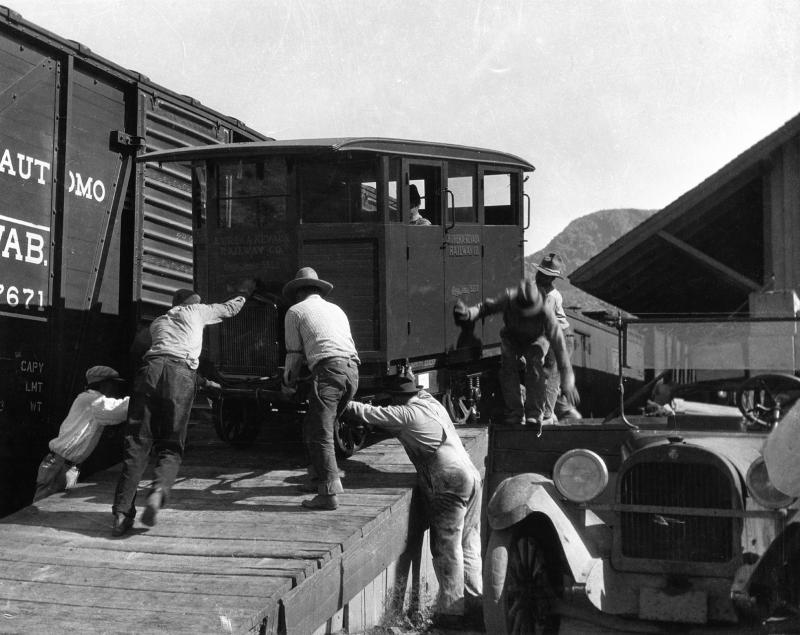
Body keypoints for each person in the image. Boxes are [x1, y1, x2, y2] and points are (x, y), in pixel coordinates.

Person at [111, 280, 256, 536]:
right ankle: (158, 492)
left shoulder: (157, 323)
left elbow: (153, 356)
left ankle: (122, 514)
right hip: (180, 375)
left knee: (137, 444)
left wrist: (202, 381)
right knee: (170, 444)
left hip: (149, 373)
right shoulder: (196, 311)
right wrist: (245, 293)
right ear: (192, 304)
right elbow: (229, 309)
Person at [344, 375, 482, 628]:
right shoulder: (431, 403)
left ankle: (452, 613)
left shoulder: (406, 415)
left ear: (396, 397)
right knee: (469, 542)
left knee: (446, 548)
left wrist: (340, 401)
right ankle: (476, 604)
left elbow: (370, 414)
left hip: (447, 479)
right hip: (471, 474)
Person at [454, 277, 579, 431]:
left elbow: (560, 348)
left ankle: (534, 415)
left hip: (536, 340)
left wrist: (568, 381)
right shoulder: (509, 298)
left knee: (535, 368)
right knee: (507, 369)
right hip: (512, 338)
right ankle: (515, 413)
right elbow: (485, 307)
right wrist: (469, 313)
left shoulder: (546, 311)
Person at [281, 267, 360, 511]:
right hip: (352, 372)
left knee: (320, 432)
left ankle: (328, 493)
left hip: (329, 371)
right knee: (314, 425)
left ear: (298, 292)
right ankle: (317, 478)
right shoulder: (336, 309)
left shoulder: (295, 311)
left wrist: (288, 384)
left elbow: (294, 356)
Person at [34, 366, 129, 502]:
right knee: (40, 506)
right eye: (112, 384)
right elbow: (120, 409)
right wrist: (144, 399)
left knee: (55, 505)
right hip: (58, 466)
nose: (114, 388)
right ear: (103, 384)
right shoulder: (92, 400)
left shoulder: (90, 399)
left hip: (68, 467)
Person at [534, 253, 582, 420]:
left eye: (544, 275)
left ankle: (547, 414)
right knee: (546, 374)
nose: (539, 276)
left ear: (551, 279)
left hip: (561, 337)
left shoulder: (551, 297)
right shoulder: (540, 290)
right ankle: (547, 411)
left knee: (552, 376)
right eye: (539, 273)